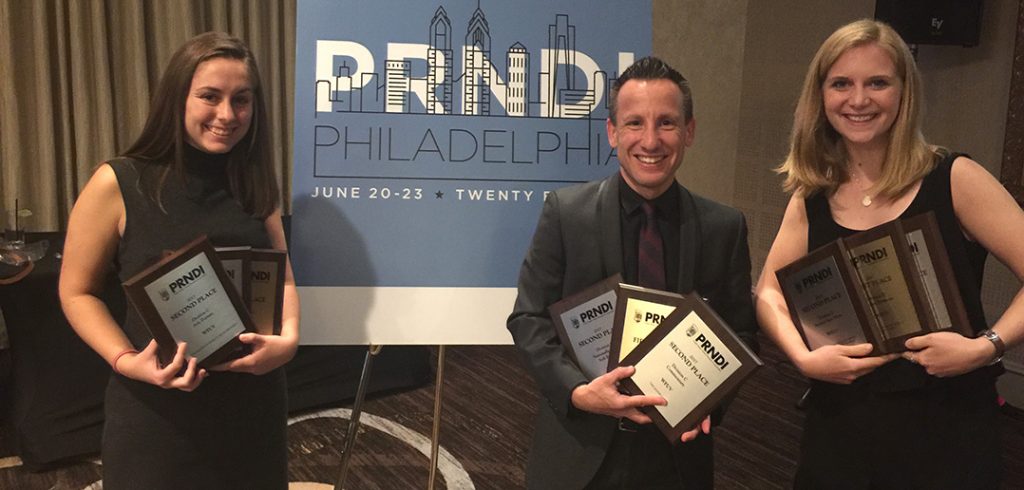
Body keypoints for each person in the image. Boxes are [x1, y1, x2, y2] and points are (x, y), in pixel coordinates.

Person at [755, 19, 1024, 489]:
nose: (858, 100)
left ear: (905, 92)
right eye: (841, 84)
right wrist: (802, 359)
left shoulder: (954, 177)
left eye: (877, 82)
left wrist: (985, 348)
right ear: (820, 96)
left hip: (946, 425)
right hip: (841, 426)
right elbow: (769, 292)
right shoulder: (811, 193)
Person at [59, 32, 298, 489]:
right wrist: (126, 360)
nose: (227, 115)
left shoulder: (252, 181)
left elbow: (282, 278)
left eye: (241, 100)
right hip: (157, 412)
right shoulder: (119, 182)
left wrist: (289, 341)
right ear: (177, 98)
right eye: (210, 96)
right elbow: (76, 292)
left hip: (253, 408)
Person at [507, 56, 758, 490]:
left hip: (677, 456)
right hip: (580, 450)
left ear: (689, 131)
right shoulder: (566, 215)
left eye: (666, 123)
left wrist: (706, 405)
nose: (650, 140)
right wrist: (577, 392)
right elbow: (528, 319)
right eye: (634, 123)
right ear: (612, 132)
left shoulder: (724, 227)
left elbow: (740, 334)